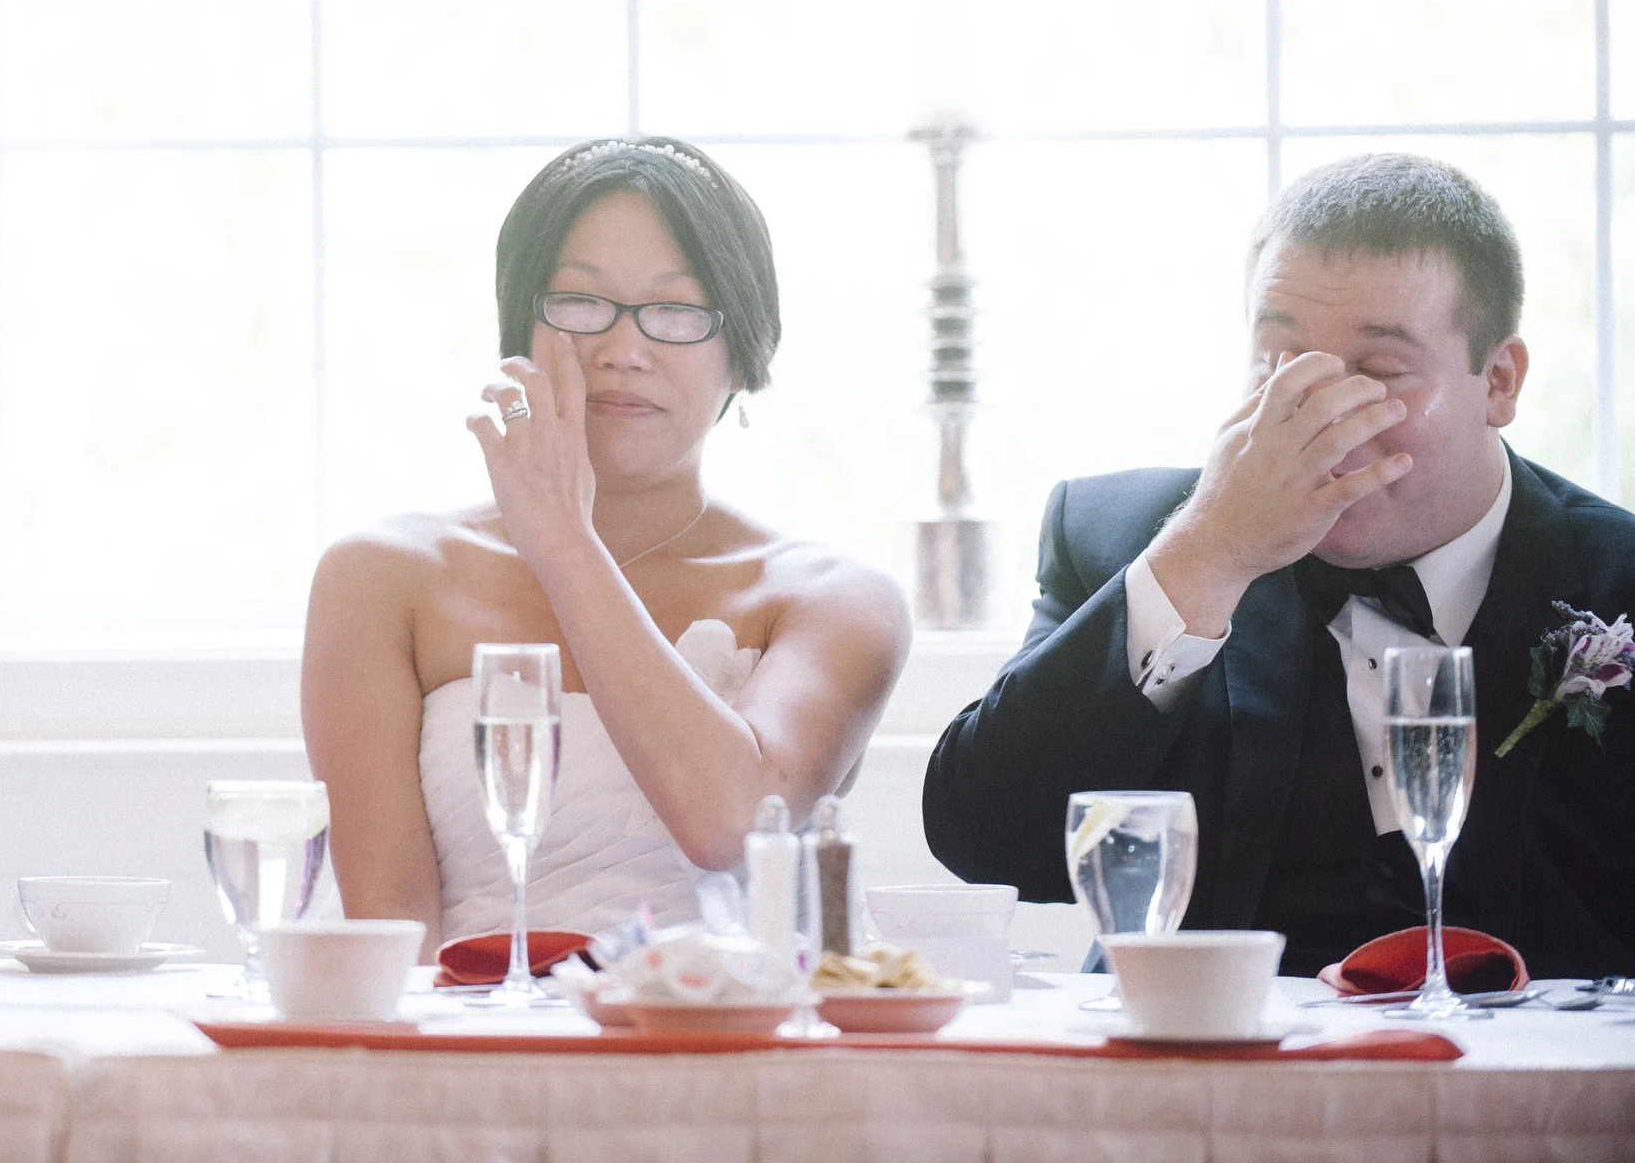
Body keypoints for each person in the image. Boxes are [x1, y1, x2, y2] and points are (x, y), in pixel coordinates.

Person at [923, 154, 1635, 978]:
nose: (1315, 415)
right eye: (1279, 363)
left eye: (1377, 373)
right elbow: (988, 841)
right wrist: (1209, 554)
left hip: (1545, 1093)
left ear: (1499, 382)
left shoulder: (1616, 580)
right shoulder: (1120, 538)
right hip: (1210, 1085)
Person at [302, 138, 910, 951]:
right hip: (474, 1049)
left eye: (677, 312)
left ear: (743, 355)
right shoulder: (382, 578)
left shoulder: (831, 597)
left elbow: (729, 824)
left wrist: (561, 538)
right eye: (581, 305)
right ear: (521, 326)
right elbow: (390, 935)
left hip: (741, 1051)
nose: (624, 351)